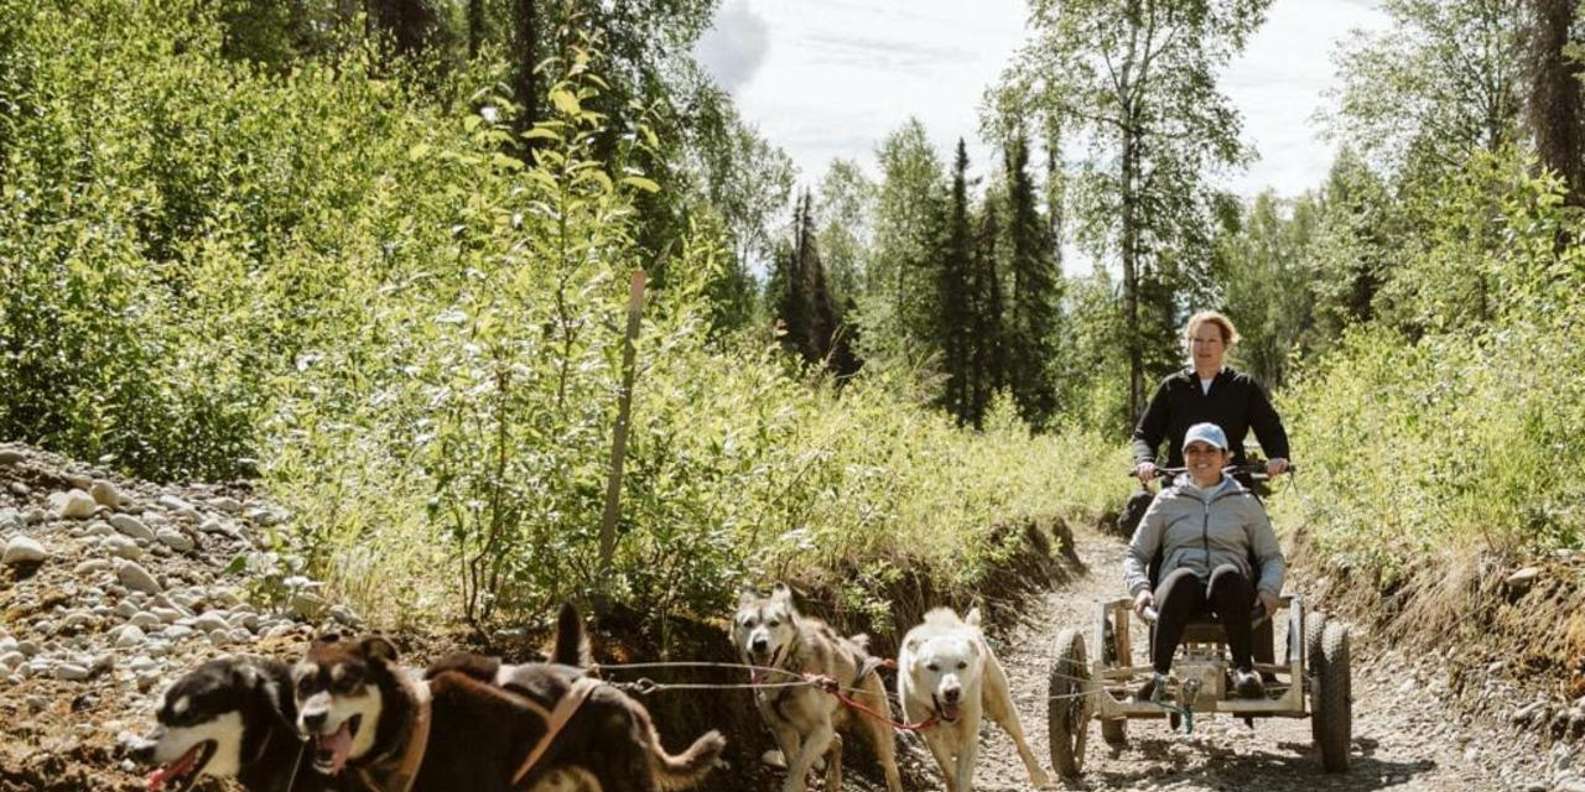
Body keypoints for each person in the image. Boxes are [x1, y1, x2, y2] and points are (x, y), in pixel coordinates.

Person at [1122, 422, 1285, 702]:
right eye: (1193, 450)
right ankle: (1159, 676)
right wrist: (1140, 588)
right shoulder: (1167, 501)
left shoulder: (1244, 502)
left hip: (1229, 592)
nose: (1201, 457)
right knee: (1182, 579)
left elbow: (1271, 557)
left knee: (1226, 576)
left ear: (1225, 457)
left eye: (1210, 450)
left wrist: (1269, 589)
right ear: (1184, 457)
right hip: (1181, 591)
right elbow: (1135, 555)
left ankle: (1245, 671)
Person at [1132, 311, 1290, 485]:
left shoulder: (1243, 386)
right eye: (1198, 340)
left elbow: (1270, 429)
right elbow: (1145, 434)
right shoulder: (1172, 386)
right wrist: (1145, 460)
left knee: (1253, 513)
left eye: (1212, 341)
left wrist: (1278, 456)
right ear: (1189, 343)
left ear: (1225, 345)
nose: (1204, 347)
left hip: (1232, 487)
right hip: (1180, 488)